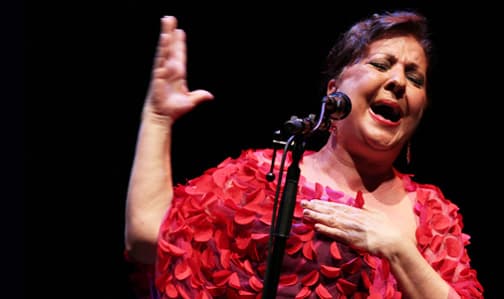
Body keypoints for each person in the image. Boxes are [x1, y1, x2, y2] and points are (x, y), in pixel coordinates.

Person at [124, 10, 484, 299]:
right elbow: (148, 241)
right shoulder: (263, 177)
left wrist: (398, 250)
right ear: (334, 91)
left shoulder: (434, 214)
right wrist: (157, 118)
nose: (398, 82)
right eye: (380, 64)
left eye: (415, 78)